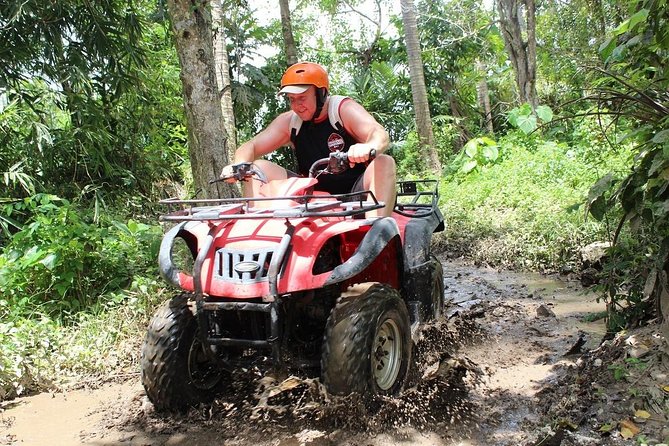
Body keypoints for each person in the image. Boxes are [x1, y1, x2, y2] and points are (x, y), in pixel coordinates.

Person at [220, 61, 396, 217]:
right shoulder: (291, 122)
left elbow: (378, 132)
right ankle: (260, 229)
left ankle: (376, 235)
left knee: (384, 162)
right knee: (256, 167)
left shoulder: (342, 110)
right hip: (310, 197)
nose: (297, 106)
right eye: (292, 99)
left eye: (302, 98)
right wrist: (239, 165)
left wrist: (370, 146)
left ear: (320, 94)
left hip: (356, 193)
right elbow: (251, 146)